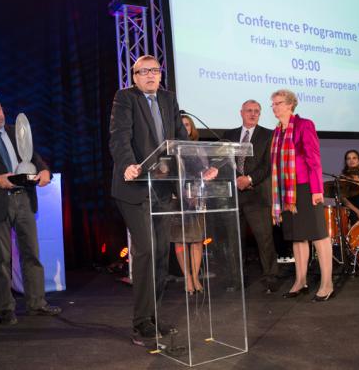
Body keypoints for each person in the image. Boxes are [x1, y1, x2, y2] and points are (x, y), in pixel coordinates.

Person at [109, 55, 217, 343]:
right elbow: (119, 137)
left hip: (162, 188)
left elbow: (181, 141)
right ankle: (141, 321)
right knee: (145, 251)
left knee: (159, 254)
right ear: (134, 76)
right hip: (134, 188)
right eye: (143, 72)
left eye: (155, 71)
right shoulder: (125, 98)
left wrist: (201, 168)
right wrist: (127, 165)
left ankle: (153, 316)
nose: (150, 76)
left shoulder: (169, 99)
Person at [0, 96, 60, 325]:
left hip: (24, 200)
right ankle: (6, 309)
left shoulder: (16, 131)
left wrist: (45, 171)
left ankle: (37, 304)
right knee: (2, 260)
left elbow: (35, 159)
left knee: (32, 254)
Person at [270, 89, 334, 302]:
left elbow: (314, 158)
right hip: (287, 192)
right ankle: (300, 280)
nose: (274, 107)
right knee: (297, 236)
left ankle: (327, 283)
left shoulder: (304, 125)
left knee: (318, 235)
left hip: (306, 188)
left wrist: (317, 190)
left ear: (290, 105)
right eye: (273, 104)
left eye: (278, 103)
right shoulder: (277, 131)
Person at [222, 100, 279, 293]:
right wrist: (238, 178)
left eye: (257, 111)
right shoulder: (228, 136)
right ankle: (237, 280)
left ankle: (270, 278)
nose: (253, 114)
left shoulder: (269, 135)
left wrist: (249, 178)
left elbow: (268, 164)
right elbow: (223, 161)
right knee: (234, 240)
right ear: (241, 113)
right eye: (249, 111)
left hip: (257, 195)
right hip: (234, 195)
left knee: (264, 239)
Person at [170, 115, 205, 294]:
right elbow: (166, 173)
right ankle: (187, 278)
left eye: (187, 125)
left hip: (196, 198)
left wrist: (196, 192)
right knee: (181, 240)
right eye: (181, 125)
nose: (184, 128)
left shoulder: (198, 148)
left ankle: (196, 277)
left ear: (192, 128)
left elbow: (204, 172)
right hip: (177, 199)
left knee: (197, 240)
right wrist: (179, 192)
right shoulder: (171, 149)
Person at [341, 149, 359, 224]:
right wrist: (358, 212)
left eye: (354, 158)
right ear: (346, 162)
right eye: (348, 158)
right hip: (349, 208)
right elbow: (343, 200)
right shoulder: (343, 177)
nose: (351, 160)